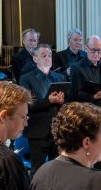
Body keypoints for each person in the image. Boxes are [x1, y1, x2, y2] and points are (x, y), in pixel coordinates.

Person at [19, 43, 68, 173]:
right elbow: (27, 104)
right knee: (38, 170)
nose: (48, 58)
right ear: (35, 59)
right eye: (44, 55)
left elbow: (68, 103)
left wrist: (63, 101)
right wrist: (48, 101)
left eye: (50, 55)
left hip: (57, 130)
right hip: (38, 131)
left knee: (57, 170)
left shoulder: (60, 77)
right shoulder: (26, 78)